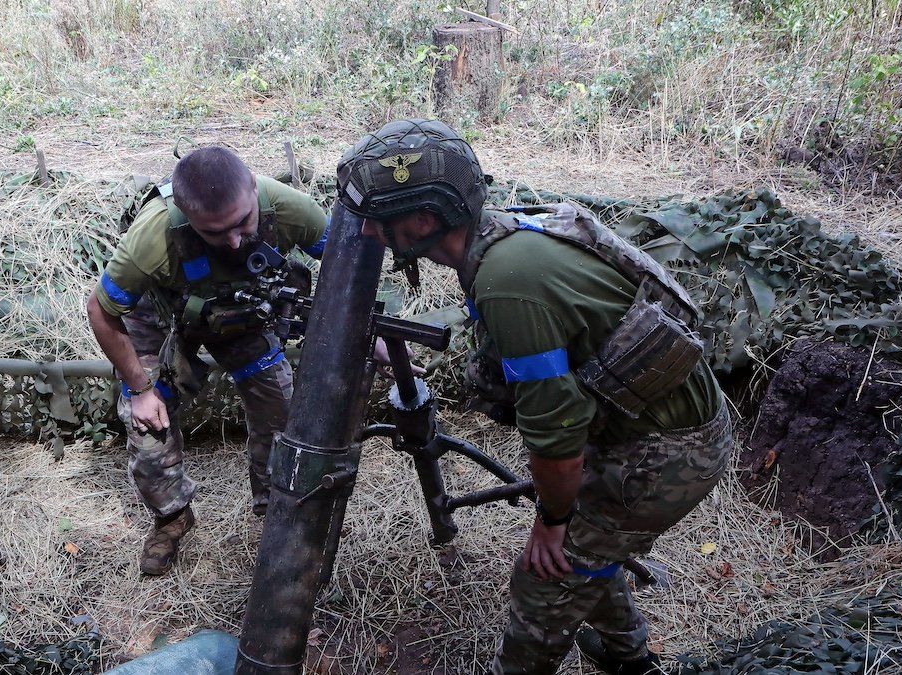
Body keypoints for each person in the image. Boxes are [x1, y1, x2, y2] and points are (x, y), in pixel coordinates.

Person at [335, 119, 734, 674]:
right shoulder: (502, 238)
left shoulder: (508, 283)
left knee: (545, 579)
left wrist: (552, 519)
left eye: (377, 221)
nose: (367, 233)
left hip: (666, 453)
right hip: (645, 426)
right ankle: (630, 658)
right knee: (590, 550)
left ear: (424, 220)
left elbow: (557, 443)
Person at [87, 146, 329, 576]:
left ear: (254, 189)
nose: (235, 240)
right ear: (185, 213)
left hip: (238, 312)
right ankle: (172, 516)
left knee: (281, 410)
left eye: (243, 223)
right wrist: (141, 390)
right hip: (158, 312)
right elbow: (101, 311)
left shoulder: (293, 210)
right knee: (146, 428)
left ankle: (277, 513)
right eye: (216, 233)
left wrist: (367, 332)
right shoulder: (153, 236)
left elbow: (347, 267)